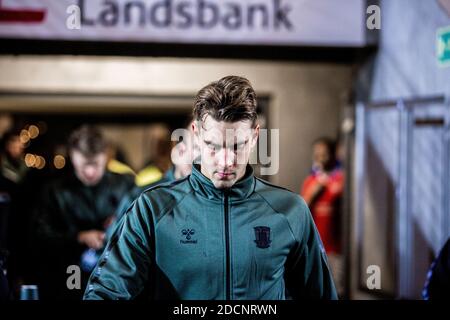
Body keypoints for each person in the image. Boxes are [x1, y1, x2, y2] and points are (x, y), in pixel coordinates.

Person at [84, 76, 337, 300]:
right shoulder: (152, 210)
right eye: (213, 146)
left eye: (237, 146)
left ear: (256, 136)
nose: (226, 161)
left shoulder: (291, 211)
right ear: (195, 134)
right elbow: (107, 291)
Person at [32, 125, 134, 300]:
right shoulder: (53, 191)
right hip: (65, 279)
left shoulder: (126, 185)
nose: (90, 172)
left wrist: (120, 226)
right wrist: (78, 237)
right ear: (72, 157)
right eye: (84, 166)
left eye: (96, 164)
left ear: (106, 156)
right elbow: (38, 237)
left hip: (115, 280)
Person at [301, 137, 344, 294]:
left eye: (324, 154)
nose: (320, 158)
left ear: (332, 155)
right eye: (317, 154)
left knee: (337, 289)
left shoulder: (341, 179)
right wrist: (314, 191)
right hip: (316, 247)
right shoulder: (311, 181)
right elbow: (302, 210)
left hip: (336, 249)